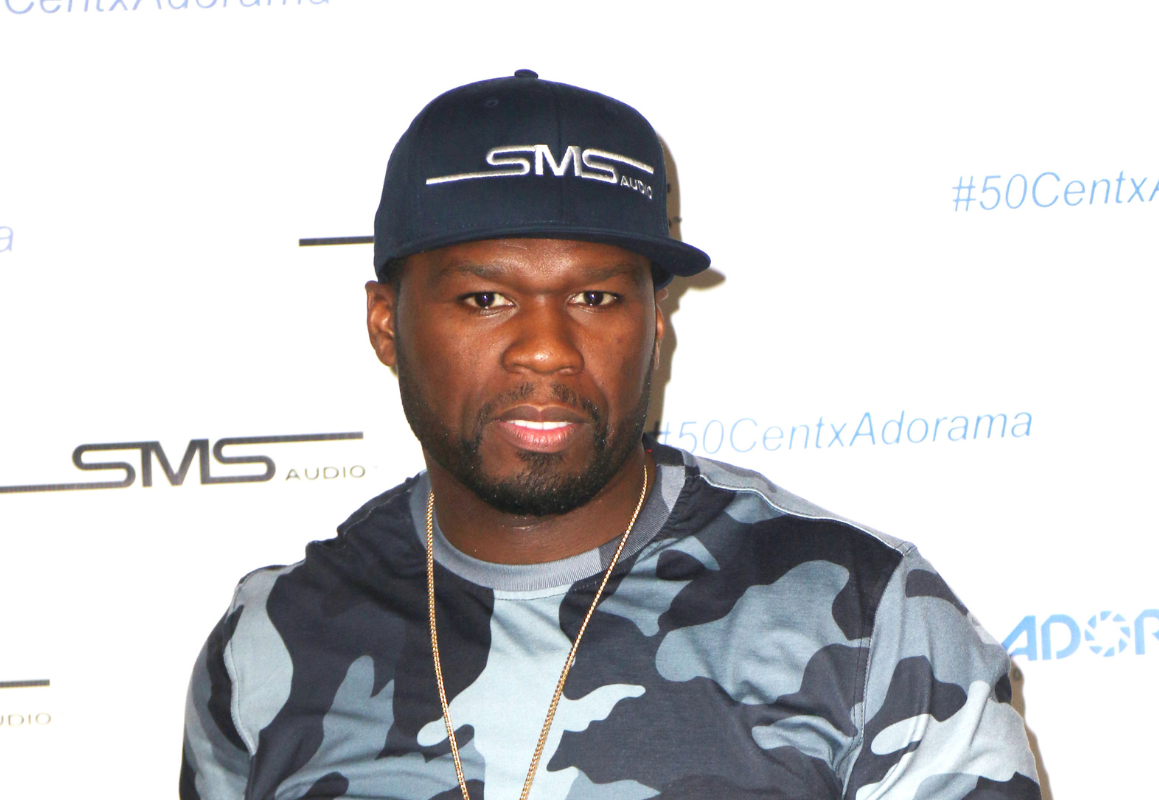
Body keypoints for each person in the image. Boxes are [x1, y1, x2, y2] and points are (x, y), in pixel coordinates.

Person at [181, 70, 1041, 800]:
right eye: (486, 298)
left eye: (596, 298)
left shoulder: (867, 619)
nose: (547, 349)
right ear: (385, 325)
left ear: (655, 324)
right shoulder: (272, 641)